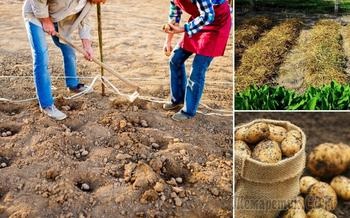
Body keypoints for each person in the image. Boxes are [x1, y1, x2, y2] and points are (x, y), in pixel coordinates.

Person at [23, 0, 106, 120]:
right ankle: (46, 105)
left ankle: (72, 85)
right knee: (41, 57)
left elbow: (84, 21)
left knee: (69, 52)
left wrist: (87, 46)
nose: (102, 3)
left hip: (58, 20)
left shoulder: (90, 2)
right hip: (35, 14)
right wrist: (45, 20)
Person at [163, 0, 232, 121]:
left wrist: (183, 29)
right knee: (175, 59)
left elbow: (208, 16)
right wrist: (168, 41)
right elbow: (174, 17)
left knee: (198, 69)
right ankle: (178, 99)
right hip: (198, 22)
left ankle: (188, 111)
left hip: (218, 23)